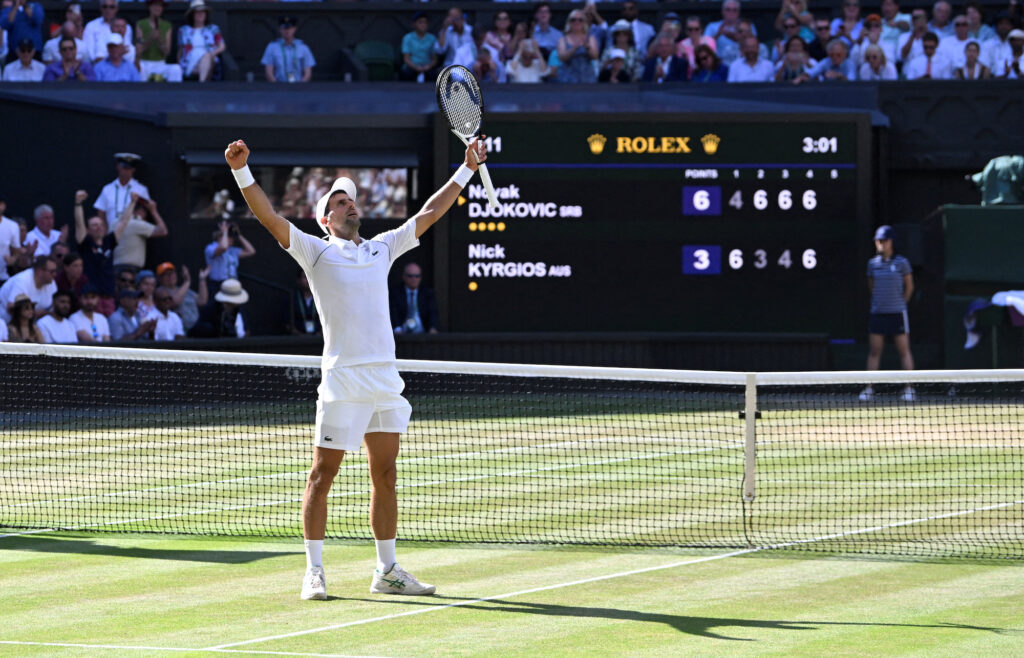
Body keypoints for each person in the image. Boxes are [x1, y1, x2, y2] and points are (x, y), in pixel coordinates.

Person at [222, 133, 488, 600]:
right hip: (343, 381)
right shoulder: (315, 250)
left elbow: (428, 212)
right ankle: (314, 571)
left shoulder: (382, 248)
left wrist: (466, 168)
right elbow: (267, 215)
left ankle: (386, 570)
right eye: (339, 202)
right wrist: (241, 170)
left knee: (385, 474)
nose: (349, 206)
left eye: (351, 200)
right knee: (322, 475)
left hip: (384, 379)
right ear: (325, 219)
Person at [860, 225, 915, 402]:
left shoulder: (902, 263)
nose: (880, 243)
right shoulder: (872, 264)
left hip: (897, 313)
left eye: (884, 240)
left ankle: (909, 389)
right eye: (878, 240)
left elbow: (909, 287)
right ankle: (869, 389)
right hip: (878, 313)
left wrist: (900, 304)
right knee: (874, 351)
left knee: (904, 351)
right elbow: (871, 286)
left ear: (891, 242)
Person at [75, 200, 126, 316]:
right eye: (94, 225)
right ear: (88, 230)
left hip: (108, 296)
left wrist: (133, 202)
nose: (99, 228)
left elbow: (124, 222)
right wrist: (78, 204)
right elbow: (79, 224)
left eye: (101, 225)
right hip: (91, 297)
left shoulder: (109, 241)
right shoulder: (85, 244)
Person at [111, 191, 168, 269]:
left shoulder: (114, 223)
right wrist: (153, 211)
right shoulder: (135, 223)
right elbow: (163, 231)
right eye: (146, 213)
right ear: (140, 211)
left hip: (115, 267)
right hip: (130, 269)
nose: (145, 218)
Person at [95, 153, 150, 229]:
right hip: (111, 235)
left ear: (133, 169)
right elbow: (101, 214)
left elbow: (143, 213)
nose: (126, 171)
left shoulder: (141, 190)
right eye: (124, 167)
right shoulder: (107, 189)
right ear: (118, 167)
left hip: (131, 235)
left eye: (129, 168)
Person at [0, 255, 56, 324]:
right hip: (6, 324)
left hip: (33, 325)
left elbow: (53, 308)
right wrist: (34, 313)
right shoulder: (22, 280)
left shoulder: (51, 282)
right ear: (39, 271)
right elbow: (11, 308)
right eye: (52, 271)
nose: (55, 274)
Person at [136, 0, 182, 83]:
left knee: (176, 69)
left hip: (161, 63)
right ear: (149, 7)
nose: (157, 8)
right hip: (145, 62)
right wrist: (150, 38)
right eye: (155, 5)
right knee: (140, 68)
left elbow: (167, 52)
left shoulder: (167, 25)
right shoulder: (141, 24)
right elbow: (139, 50)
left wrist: (159, 40)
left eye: (160, 6)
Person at [178, 0, 225, 82]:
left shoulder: (213, 29)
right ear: (192, 15)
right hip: (189, 59)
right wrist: (178, 63)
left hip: (209, 57)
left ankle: (201, 84)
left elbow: (222, 46)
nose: (201, 14)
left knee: (205, 56)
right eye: (197, 12)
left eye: (203, 12)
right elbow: (181, 50)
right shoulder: (184, 30)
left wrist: (212, 54)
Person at [204, 220, 255, 294]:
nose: (232, 237)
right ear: (219, 236)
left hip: (233, 282)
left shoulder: (232, 250)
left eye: (231, 235)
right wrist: (225, 232)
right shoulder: (211, 247)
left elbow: (251, 251)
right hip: (218, 285)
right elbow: (223, 247)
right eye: (229, 235)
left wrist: (239, 235)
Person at [156, 261, 208, 332]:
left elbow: (202, 301)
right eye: (166, 274)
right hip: (181, 328)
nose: (170, 276)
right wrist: (187, 281)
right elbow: (175, 302)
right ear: (159, 278)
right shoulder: (160, 291)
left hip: (196, 325)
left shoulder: (183, 289)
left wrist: (202, 279)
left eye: (172, 273)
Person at [261, 15, 315, 83]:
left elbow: (308, 73)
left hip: (299, 87)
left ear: (294, 29)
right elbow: (269, 72)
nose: (287, 31)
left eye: (290, 28)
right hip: (278, 87)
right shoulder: (272, 47)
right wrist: (276, 86)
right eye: (284, 28)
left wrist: (300, 87)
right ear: (280, 29)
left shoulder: (303, 48)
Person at [390, 262, 438, 334]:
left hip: (423, 334)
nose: (414, 279)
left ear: (420, 277)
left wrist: (433, 328)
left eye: (417, 276)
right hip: (401, 335)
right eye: (410, 276)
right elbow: (393, 313)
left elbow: (433, 313)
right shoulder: (395, 292)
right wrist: (397, 328)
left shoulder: (427, 293)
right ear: (404, 276)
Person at [556, 9, 599, 83]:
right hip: (568, 78)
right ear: (569, 22)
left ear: (584, 22)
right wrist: (574, 48)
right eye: (573, 20)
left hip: (587, 77)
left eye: (580, 20)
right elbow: (561, 57)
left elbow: (595, 56)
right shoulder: (563, 39)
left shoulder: (590, 38)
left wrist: (587, 47)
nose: (577, 22)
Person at [399, 11, 437, 83]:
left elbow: (435, 59)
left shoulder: (432, 38)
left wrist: (428, 66)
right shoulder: (407, 38)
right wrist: (416, 67)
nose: (423, 25)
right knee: (405, 74)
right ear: (414, 24)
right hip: (412, 67)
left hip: (427, 67)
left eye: (425, 22)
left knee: (435, 76)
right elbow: (406, 58)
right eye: (420, 22)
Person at [286, 267, 320, 336]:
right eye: (305, 277)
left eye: (310, 277)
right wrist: (301, 335)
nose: (308, 280)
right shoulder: (292, 298)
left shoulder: (321, 298)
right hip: (298, 341)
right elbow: (287, 324)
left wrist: (320, 334)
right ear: (299, 280)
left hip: (319, 341)